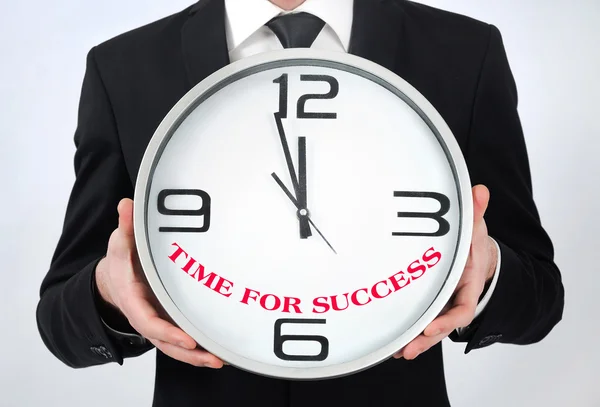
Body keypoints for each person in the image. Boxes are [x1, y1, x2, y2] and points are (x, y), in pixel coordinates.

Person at [36, 0, 565, 405]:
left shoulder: (464, 53)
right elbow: (60, 321)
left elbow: (540, 299)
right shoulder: (123, 66)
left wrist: (488, 270)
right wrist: (109, 293)